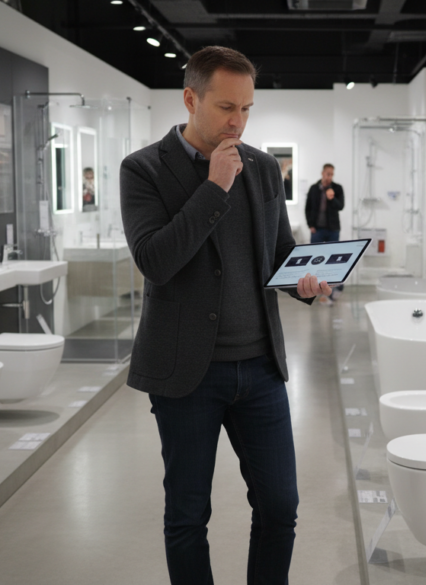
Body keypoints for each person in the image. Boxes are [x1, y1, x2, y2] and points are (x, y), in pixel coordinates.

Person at [120, 46, 332, 585]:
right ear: (191, 99)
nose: (237, 121)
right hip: (187, 373)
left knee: (281, 506)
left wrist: (305, 285)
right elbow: (156, 261)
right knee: (188, 514)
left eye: (247, 109)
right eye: (225, 108)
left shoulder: (262, 168)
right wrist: (214, 186)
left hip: (261, 368)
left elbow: (279, 252)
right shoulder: (143, 169)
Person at [304, 163, 345, 301]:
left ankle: (332, 291)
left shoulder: (337, 188)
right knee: (315, 260)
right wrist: (310, 225)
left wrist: (332, 198)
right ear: (322, 173)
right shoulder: (314, 189)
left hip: (333, 230)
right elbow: (308, 207)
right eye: (328, 173)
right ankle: (316, 290)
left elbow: (341, 206)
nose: (330, 176)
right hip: (317, 230)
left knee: (333, 260)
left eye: (332, 174)